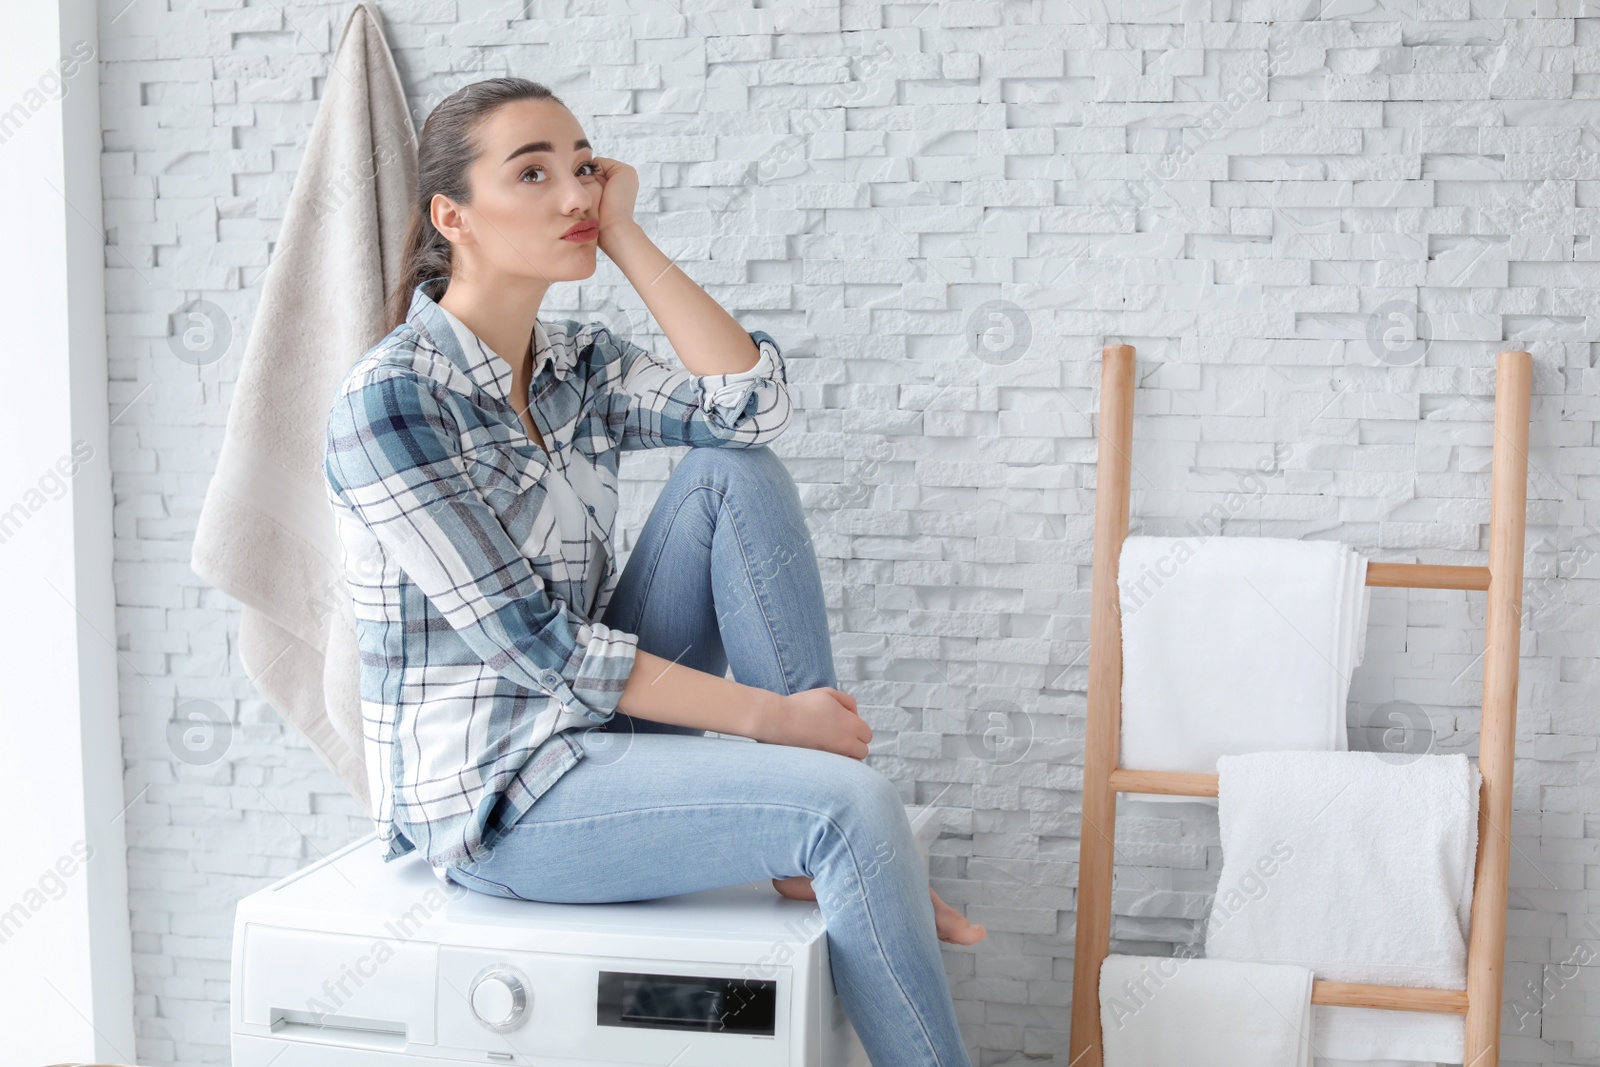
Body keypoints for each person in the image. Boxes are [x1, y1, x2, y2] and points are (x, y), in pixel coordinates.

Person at [322, 76, 982, 1067]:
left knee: (730, 472)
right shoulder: (392, 401)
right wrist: (771, 723)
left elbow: (749, 408)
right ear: (450, 216)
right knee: (850, 809)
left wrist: (624, 239)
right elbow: (533, 644)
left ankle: (824, 835)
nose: (573, 193)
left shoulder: (576, 362)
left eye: (582, 166)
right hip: (498, 800)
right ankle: (834, 831)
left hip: (586, 726)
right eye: (533, 172)